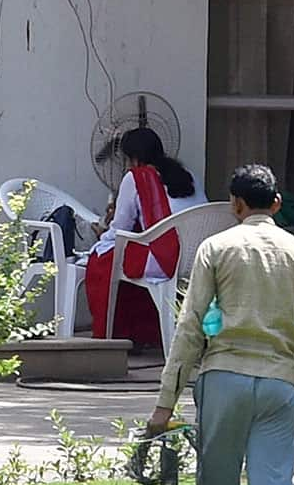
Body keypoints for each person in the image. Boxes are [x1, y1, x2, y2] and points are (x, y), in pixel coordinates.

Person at [146, 164, 294, 485]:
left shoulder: (215, 248)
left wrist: (164, 405)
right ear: (275, 204)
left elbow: (190, 327)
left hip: (223, 381)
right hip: (280, 385)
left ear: (235, 205)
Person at [85, 128, 207, 347]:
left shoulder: (136, 178)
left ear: (133, 158)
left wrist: (102, 234)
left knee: (102, 259)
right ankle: (148, 332)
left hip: (166, 259)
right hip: (196, 257)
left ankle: (114, 336)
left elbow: (120, 228)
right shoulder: (188, 175)